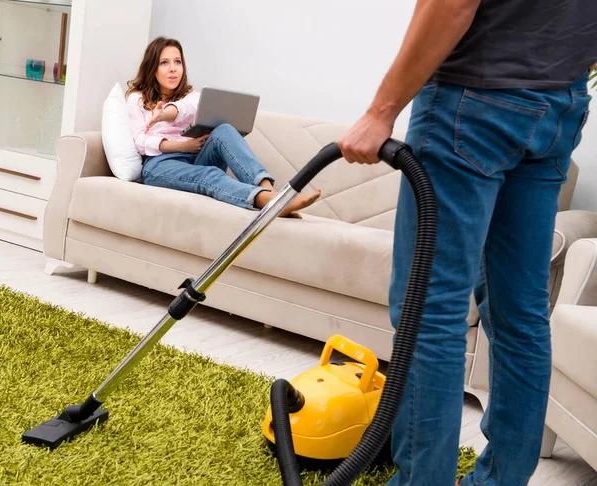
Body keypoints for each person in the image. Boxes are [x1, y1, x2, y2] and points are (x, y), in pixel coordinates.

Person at [338, 1, 596, 485]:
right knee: (521, 313)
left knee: (429, 311)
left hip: (472, 100)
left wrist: (381, 111)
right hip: (559, 102)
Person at [126, 37, 321, 217]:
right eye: (164, 63)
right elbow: (141, 143)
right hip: (160, 165)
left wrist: (165, 114)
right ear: (152, 68)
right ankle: (265, 201)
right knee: (210, 175)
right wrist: (182, 146)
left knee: (224, 129)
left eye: (178, 62)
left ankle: (272, 193)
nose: (173, 69)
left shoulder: (191, 97)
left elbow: (182, 109)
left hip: (194, 158)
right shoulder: (137, 99)